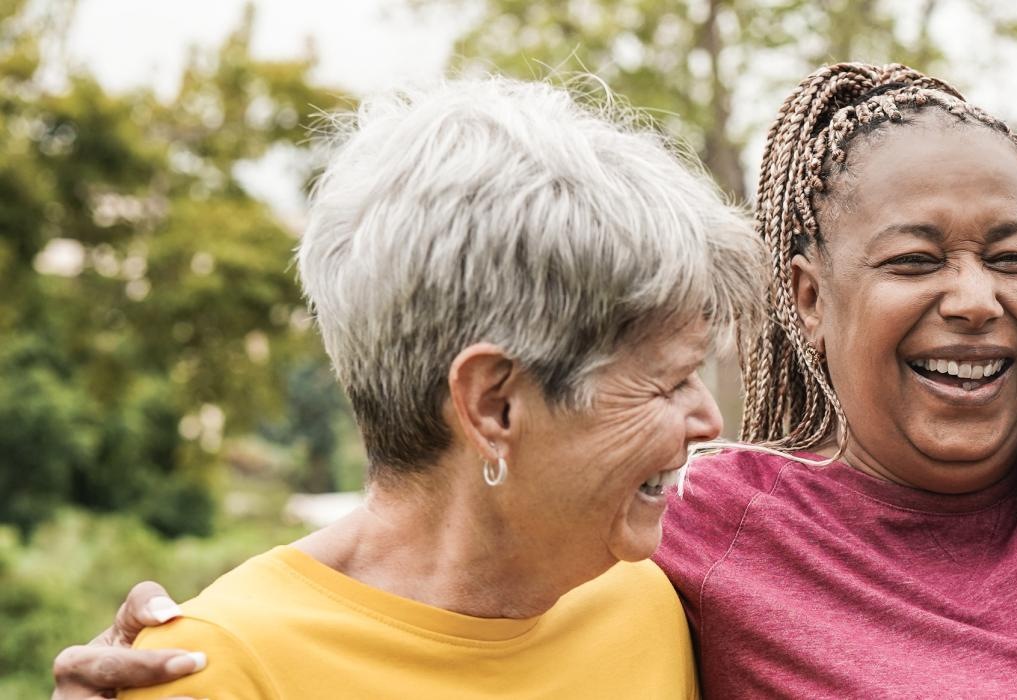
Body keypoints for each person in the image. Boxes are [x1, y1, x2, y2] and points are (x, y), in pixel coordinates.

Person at [56, 64, 1017, 698]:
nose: (974, 301)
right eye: (915, 259)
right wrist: (180, 635)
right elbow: (429, 553)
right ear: (806, 295)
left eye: (1013, 254)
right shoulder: (692, 538)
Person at [77, 76, 765, 699]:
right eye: (669, 382)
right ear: (493, 405)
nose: (707, 419)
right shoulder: (218, 672)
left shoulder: (645, 601)